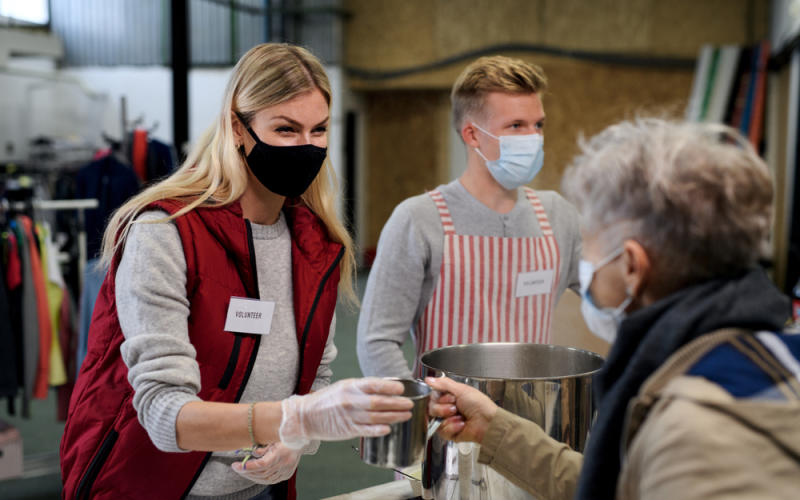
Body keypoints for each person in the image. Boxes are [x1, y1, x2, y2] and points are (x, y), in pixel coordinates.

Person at [60, 43, 413, 500]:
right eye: (285, 129)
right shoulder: (164, 233)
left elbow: (315, 375)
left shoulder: (317, 246)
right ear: (237, 128)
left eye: (318, 129)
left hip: (256, 492)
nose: (305, 146)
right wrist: (297, 419)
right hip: (143, 486)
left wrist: (294, 440)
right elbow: (166, 414)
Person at [428, 118, 800, 499]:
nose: (585, 267)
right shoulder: (759, 351)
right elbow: (622, 486)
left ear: (632, 267)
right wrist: (494, 430)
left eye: (589, 247)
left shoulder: (694, 429)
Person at [357, 55, 581, 378]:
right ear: (473, 135)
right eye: (516, 126)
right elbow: (376, 342)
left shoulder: (558, 215)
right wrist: (421, 412)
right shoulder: (419, 220)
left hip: (531, 422)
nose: (533, 138)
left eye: (538, 125)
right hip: (447, 422)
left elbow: (611, 294)